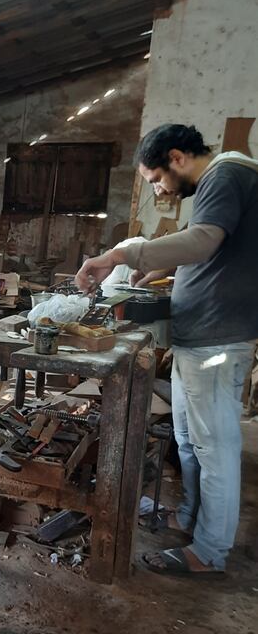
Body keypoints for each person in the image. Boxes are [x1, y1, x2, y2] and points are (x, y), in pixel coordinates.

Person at [75, 124, 258, 576]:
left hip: (217, 339)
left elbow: (203, 241)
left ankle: (210, 551)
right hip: (199, 336)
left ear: (177, 158)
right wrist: (161, 271)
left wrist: (122, 255)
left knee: (214, 447)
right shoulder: (225, 180)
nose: (160, 189)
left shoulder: (226, 174)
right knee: (190, 442)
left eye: (156, 179)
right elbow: (217, 254)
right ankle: (192, 518)